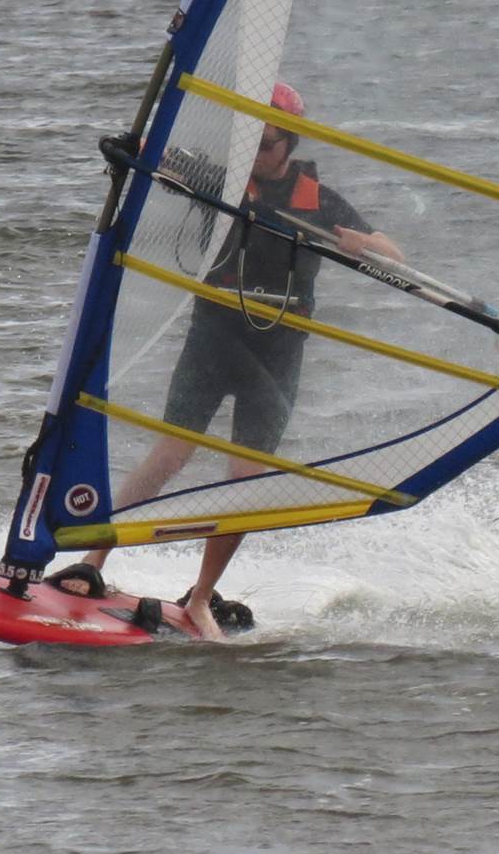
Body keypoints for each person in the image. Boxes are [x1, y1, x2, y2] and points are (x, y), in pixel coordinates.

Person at [63, 81, 401, 638]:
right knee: (171, 453)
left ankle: (199, 600)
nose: (259, 152)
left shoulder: (318, 199)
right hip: (215, 334)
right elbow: (156, 155)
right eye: (251, 141)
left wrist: (365, 246)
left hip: (279, 345)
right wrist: (127, 151)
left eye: (268, 143)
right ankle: (90, 562)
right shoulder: (220, 181)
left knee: (245, 476)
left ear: (289, 143)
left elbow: (396, 254)